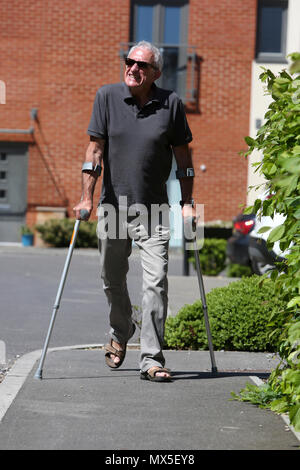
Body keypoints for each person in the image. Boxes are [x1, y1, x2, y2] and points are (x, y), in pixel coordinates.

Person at [73, 41, 195, 382]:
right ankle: (121, 326)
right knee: (112, 280)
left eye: (141, 65)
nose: (133, 68)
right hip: (113, 208)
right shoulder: (107, 97)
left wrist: (186, 204)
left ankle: (151, 358)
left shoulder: (170, 104)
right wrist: (86, 197)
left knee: (156, 284)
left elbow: (184, 160)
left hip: (155, 210)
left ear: (155, 73)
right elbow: (94, 151)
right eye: (129, 62)